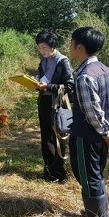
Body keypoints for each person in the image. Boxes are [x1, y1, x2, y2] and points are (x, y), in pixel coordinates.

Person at [68, 27, 109, 217]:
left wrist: (105, 132)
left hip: (87, 136)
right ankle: (100, 213)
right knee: (95, 174)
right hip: (103, 136)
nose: (70, 47)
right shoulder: (105, 70)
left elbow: (92, 111)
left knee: (88, 177)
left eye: (71, 43)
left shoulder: (84, 76)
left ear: (79, 47)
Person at [34, 29, 74, 183]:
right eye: (39, 48)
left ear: (52, 45)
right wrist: (36, 83)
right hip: (44, 102)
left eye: (44, 47)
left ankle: (59, 173)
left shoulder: (62, 61)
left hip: (58, 104)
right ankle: (48, 170)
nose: (42, 51)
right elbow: (40, 77)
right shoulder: (43, 61)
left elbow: (69, 86)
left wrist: (49, 87)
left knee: (57, 136)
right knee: (45, 136)